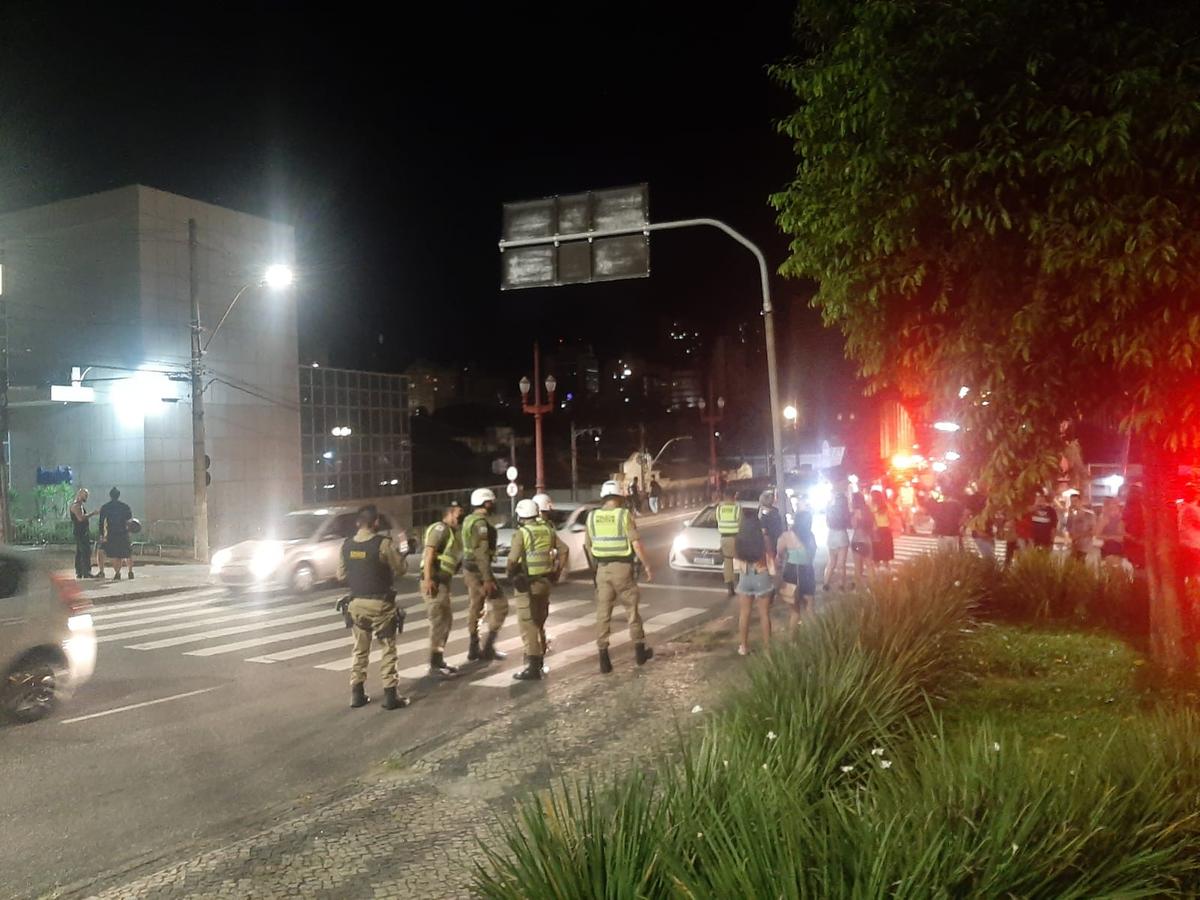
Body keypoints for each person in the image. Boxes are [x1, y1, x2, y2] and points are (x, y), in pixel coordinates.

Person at [338, 505, 409, 710]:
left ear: (358, 523)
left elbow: (341, 576)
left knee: (360, 650)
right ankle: (390, 695)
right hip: (380, 605)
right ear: (376, 522)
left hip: (356, 605)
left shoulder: (346, 545)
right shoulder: (383, 544)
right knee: (388, 648)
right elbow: (401, 569)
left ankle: (357, 694)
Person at [584, 479, 654, 673]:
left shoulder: (592, 517)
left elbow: (589, 547)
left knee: (603, 614)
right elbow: (636, 544)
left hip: (601, 570)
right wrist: (647, 565)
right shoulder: (624, 515)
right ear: (618, 497)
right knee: (631, 611)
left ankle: (604, 659)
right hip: (622, 569)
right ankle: (640, 653)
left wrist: (596, 567)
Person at [506, 498, 569, 680]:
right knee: (539, 621)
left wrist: (511, 574)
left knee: (529, 625)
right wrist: (557, 571)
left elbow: (512, 560)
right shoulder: (547, 530)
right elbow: (564, 550)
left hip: (527, 585)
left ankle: (533, 666)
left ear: (520, 515)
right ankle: (539, 660)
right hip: (545, 582)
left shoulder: (522, 533)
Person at [462, 488, 507, 662]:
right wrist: (487, 579)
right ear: (485, 503)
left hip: (469, 569)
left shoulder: (468, 520)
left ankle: (474, 648)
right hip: (479, 572)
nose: (493, 504)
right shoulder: (480, 524)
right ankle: (488, 647)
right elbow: (481, 552)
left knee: (476, 607)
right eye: (491, 501)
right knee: (501, 605)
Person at [422, 501, 465, 677]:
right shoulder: (440, 529)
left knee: (446, 622)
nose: (461, 516)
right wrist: (428, 578)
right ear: (450, 512)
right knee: (439, 621)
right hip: (435, 581)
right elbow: (429, 553)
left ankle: (439, 660)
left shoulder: (454, 532)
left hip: (443, 582)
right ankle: (434, 665)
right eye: (458, 513)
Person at [734, 508, 773, 655]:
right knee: (764, 614)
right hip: (761, 574)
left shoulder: (739, 539)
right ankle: (768, 649)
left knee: (744, 613)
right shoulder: (763, 539)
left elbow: (736, 558)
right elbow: (770, 554)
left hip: (745, 576)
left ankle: (743, 646)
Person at [777, 497, 817, 630]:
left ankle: (792, 642)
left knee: (794, 612)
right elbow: (812, 555)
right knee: (810, 608)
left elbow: (779, 553)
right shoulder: (810, 537)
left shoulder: (787, 536)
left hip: (791, 572)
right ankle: (820, 638)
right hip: (807, 572)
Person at [98, 487, 134, 581]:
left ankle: (117, 573)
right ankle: (130, 572)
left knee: (116, 554)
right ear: (119, 495)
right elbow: (129, 521)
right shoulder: (125, 507)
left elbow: (101, 522)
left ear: (110, 496)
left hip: (112, 532)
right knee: (128, 553)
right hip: (123, 532)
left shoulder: (105, 507)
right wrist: (129, 532)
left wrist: (102, 535)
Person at [715, 485, 743, 597]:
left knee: (728, 563)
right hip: (735, 538)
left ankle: (730, 587)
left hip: (724, 538)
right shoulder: (737, 508)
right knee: (743, 560)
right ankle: (745, 584)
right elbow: (741, 524)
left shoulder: (719, 508)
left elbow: (718, 521)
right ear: (734, 496)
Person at [824, 479, 851, 591]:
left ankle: (826, 583)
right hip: (842, 535)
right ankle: (841, 584)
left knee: (831, 561)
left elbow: (827, 522)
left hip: (831, 535)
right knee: (841, 563)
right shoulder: (845, 510)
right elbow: (849, 524)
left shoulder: (830, 508)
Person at [69, 488, 98, 579]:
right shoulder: (77, 506)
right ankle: (86, 572)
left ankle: (80, 571)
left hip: (80, 531)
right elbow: (80, 518)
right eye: (85, 495)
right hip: (81, 532)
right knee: (85, 551)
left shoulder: (77, 505)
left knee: (80, 552)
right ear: (80, 495)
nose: (86, 497)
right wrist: (92, 513)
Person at [964, 485, 994, 562]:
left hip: (988, 532)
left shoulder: (990, 498)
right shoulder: (974, 498)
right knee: (988, 558)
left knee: (989, 558)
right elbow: (967, 515)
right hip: (980, 532)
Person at [1065, 492, 1096, 563]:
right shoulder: (1071, 515)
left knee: (1080, 562)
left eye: (1075, 501)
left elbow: (1093, 531)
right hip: (1074, 545)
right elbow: (1068, 528)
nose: (1074, 503)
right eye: (1072, 501)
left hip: (1084, 545)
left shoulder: (1089, 514)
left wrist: (1079, 536)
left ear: (1080, 501)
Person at [850, 492, 874, 580]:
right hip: (866, 540)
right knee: (869, 566)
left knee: (857, 567)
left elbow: (854, 525)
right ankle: (873, 588)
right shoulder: (868, 510)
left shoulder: (855, 512)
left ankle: (859, 589)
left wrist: (854, 516)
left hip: (856, 541)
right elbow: (873, 525)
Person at [1096, 497, 1125, 568]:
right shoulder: (1104, 520)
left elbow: (1122, 537)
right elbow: (1096, 535)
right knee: (1110, 568)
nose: (1114, 511)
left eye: (1115, 509)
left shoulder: (1120, 521)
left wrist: (1111, 537)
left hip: (1118, 548)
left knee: (1117, 568)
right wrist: (1111, 537)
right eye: (1111, 509)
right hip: (1107, 548)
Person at [870, 490, 894, 570]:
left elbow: (870, 519)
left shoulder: (872, 506)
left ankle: (877, 571)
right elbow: (892, 516)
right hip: (886, 530)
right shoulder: (886, 505)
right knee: (886, 552)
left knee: (877, 552)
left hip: (876, 530)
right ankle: (887, 569)